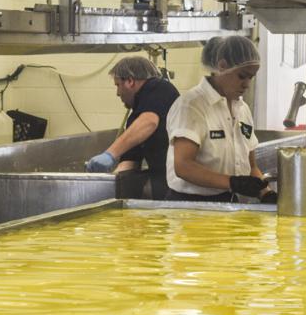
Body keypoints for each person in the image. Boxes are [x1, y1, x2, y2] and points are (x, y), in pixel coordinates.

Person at [165, 36, 275, 202]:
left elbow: (251, 166)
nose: (247, 84)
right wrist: (232, 182)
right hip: (190, 205)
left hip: (228, 201)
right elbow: (183, 166)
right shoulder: (191, 106)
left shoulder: (242, 109)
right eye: (242, 76)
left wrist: (266, 193)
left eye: (251, 77)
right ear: (222, 66)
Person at [86, 57, 180, 200]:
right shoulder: (135, 118)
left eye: (118, 85)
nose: (118, 93)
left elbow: (149, 122)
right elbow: (130, 161)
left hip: (182, 184)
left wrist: (110, 154)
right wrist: (107, 184)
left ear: (130, 81)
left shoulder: (158, 87)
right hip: (164, 186)